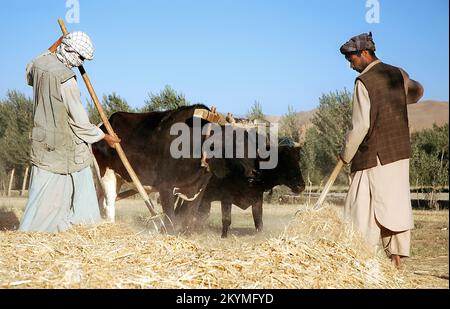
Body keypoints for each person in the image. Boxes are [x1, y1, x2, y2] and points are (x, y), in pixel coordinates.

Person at [19, 31, 120, 232]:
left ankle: (36, 229)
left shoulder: (40, 65)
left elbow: (30, 70)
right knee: (80, 185)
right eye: (81, 57)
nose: (81, 62)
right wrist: (104, 136)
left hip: (42, 142)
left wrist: (54, 44)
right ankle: (82, 226)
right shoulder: (67, 79)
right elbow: (80, 122)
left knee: (43, 191)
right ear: (69, 50)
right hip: (64, 145)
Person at [339, 32, 424, 267]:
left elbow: (361, 126)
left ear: (364, 53)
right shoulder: (397, 74)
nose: (351, 65)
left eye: (352, 59)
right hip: (399, 151)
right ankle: (396, 260)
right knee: (394, 205)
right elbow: (417, 92)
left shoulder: (363, 82)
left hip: (373, 156)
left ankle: (360, 260)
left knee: (360, 208)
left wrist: (346, 154)